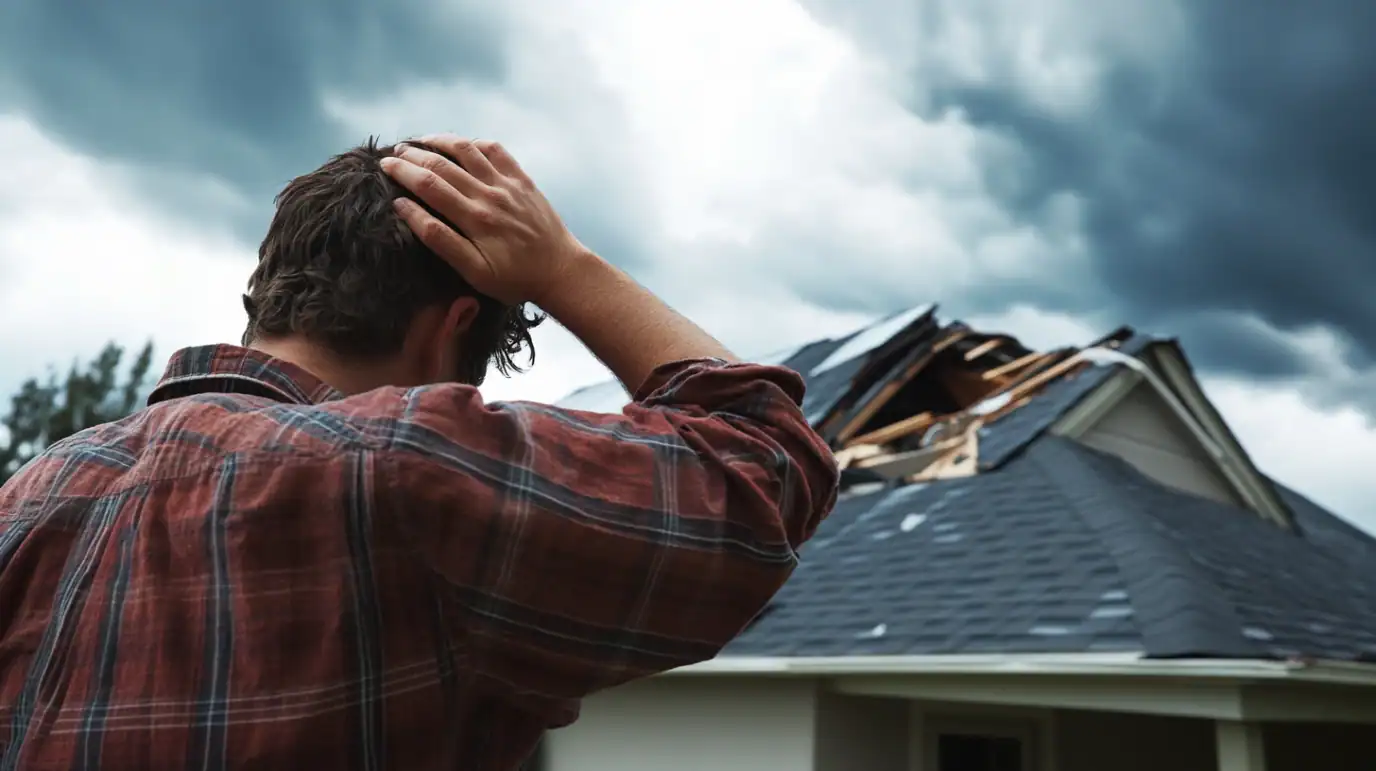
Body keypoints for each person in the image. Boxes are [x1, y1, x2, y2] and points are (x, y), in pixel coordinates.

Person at [0, 135, 839, 770]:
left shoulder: (33, 494)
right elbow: (767, 462)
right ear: (452, 331)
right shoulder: (406, 464)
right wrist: (562, 267)